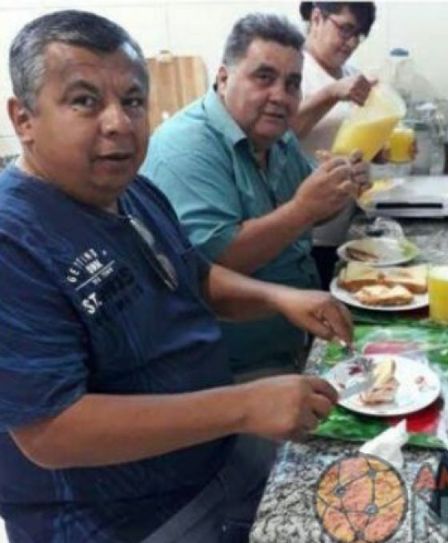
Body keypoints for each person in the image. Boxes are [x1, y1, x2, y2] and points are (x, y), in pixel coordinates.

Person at [0, 10, 353, 543]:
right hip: (129, 517)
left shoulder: (133, 191)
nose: (119, 122)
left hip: (214, 451)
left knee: (361, 483)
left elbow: (189, 273)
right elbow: (51, 433)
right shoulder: (14, 240)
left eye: (133, 100)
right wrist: (246, 404)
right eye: (84, 100)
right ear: (23, 119)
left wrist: (280, 298)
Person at [142, 14, 368, 378]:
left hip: (295, 345)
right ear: (224, 77)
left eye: (292, 84)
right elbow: (211, 266)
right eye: (264, 78)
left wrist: (341, 187)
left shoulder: (277, 139)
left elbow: (316, 210)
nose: (280, 96)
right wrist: (302, 209)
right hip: (231, 375)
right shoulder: (186, 148)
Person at [291, 2, 377, 289]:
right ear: (317, 17)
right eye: (346, 29)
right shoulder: (295, 70)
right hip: (308, 232)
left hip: (344, 223)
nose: (352, 42)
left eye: (359, 35)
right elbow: (282, 134)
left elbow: (348, 137)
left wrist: (380, 150)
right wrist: (331, 93)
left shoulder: (349, 71)